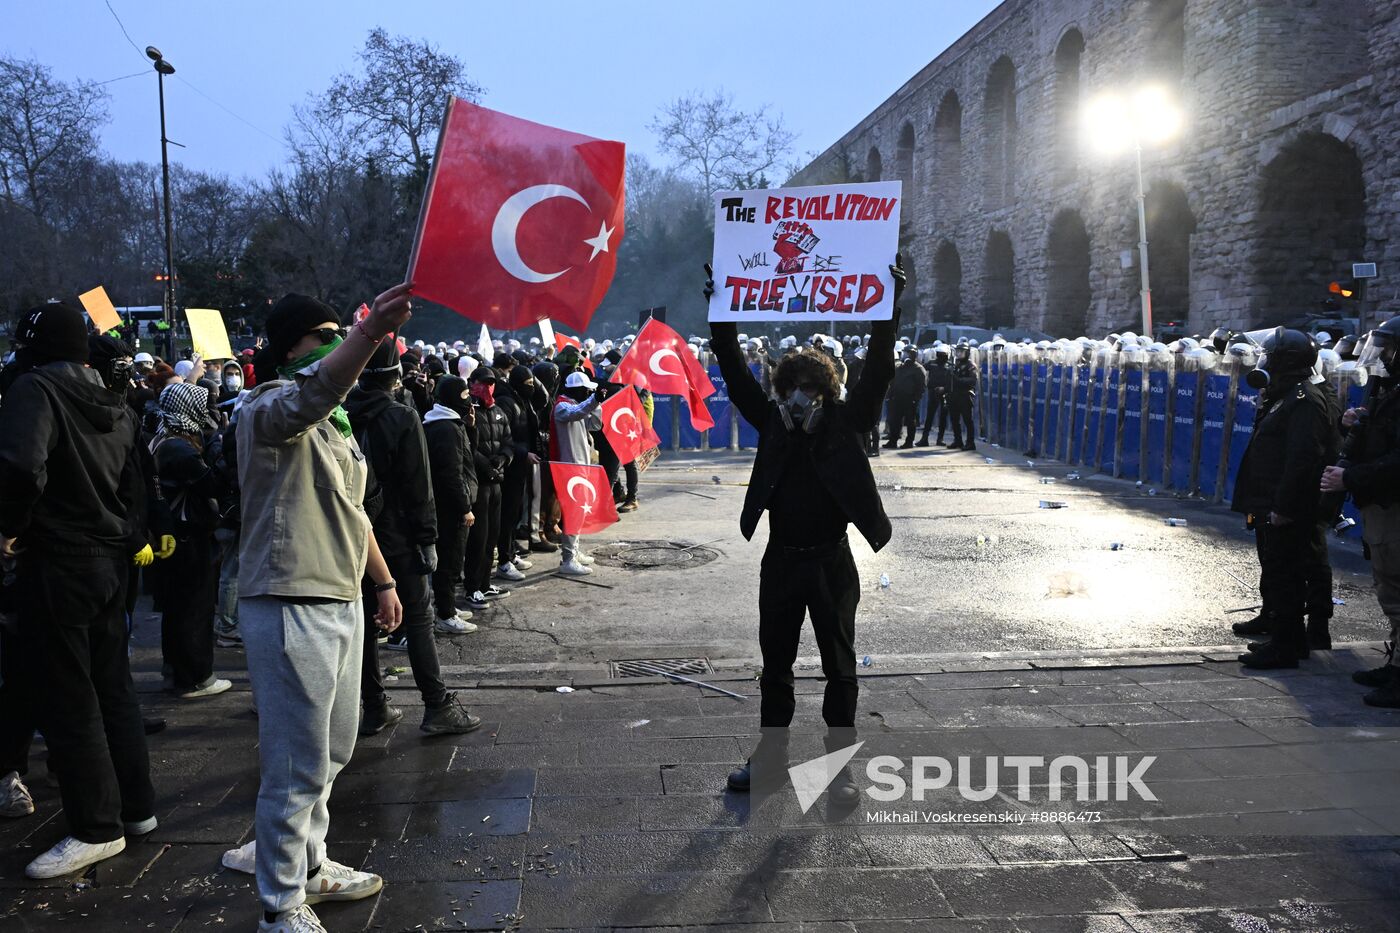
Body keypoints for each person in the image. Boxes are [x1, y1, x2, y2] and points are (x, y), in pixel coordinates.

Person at [237, 287, 411, 932]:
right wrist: (368, 334)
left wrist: (384, 582)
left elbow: (351, 509)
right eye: (324, 333)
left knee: (333, 751)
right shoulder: (266, 407)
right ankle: (280, 906)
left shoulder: (335, 426)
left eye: (344, 330)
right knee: (293, 765)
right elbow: (312, 394)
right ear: (291, 348)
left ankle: (312, 867)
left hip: (340, 596)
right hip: (289, 600)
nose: (338, 340)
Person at [707, 258, 904, 797]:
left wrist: (887, 309)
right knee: (776, 665)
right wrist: (720, 311)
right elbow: (733, 370)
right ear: (780, 390)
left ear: (827, 392)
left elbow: (881, 371)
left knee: (840, 667)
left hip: (832, 560)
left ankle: (837, 771)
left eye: (809, 390)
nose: (798, 400)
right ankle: (771, 760)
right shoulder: (771, 422)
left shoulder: (846, 423)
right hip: (783, 559)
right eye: (790, 388)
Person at [0, 302, 156, 879]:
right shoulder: (113, 397)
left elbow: (21, 467)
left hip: (61, 558)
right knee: (113, 687)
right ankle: (136, 810)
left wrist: (9, 527)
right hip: (109, 560)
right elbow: (135, 479)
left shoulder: (35, 391)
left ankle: (97, 826)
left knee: (70, 696)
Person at [345, 339, 481, 737]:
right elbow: (419, 486)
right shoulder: (402, 417)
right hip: (400, 535)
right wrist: (427, 538)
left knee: (368, 623)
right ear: (395, 376)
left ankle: (374, 705)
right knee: (418, 618)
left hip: (359, 534)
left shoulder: (343, 415)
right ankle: (437, 704)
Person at [1231, 328, 1338, 670]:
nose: (1265, 363)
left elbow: (1303, 458)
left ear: (1285, 362)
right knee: (1279, 571)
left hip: (1286, 504)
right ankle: (1286, 638)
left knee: (1287, 574)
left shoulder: (1304, 399)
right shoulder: (1288, 394)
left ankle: (1286, 646)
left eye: (1271, 358)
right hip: (1270, 498)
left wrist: (1283, 506)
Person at [1323, 316, 1400, 705]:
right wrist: (1352, 420)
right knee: (1389, 588)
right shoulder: (1389, 389)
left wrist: (1349, 479)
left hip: (1393, 502)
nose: (1380, 356)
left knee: (1398, 588)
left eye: (1385, 348)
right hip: (1380, 500)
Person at [151, 381, 231, 698]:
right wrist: (219, 447)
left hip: (175, 535)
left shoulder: (163, 437)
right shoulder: (179, 448)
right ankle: (196, 677)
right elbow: (209, 483)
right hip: (188, 537)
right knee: (194, 608)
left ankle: (176, 671)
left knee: (176, 608)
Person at [423, 375, 480, 635]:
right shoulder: (445, 428)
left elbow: (467, 460)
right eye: (465, 395)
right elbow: (451, 474)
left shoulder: (451, 424)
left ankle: (449, 607)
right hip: (450, 508)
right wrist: (464, 507)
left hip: (454, 503)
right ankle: (445, 614)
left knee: (453, 560)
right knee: (449, 561)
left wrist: (470, 427)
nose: (469, 401)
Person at [463, 367, 513, 611]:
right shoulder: (468, 412)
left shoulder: (499, 412)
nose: (488, 387)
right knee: (478, 539)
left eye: (491, 383)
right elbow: (468, 447)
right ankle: (472, 587)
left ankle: (484, 583)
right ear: (472, 383)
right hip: (479, 484)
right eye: (483, 382)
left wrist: (503, 459)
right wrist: (486, 467)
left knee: (492, 535)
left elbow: (508, 443)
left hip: (497, 483)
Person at [552, 371, 606, 575]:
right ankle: (568, 558)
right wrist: (593, 400)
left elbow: (595, 424)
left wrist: (596, 402)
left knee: (580, 510)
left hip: (580, 466)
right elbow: (574, 412)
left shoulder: (579, 406)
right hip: (569, 467)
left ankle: (573, 551)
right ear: (577, 390)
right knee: (574, 512)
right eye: (587, 389)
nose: (589, 392)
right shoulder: (562, 406)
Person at [884, 346, 926, 449]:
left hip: (909, 399)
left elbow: (921, 386)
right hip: (897, 398)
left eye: (907, 353)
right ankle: (893, 440)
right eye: (904, 353)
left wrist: (915, 399)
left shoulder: (918, 369)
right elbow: (893, 383)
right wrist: (890, 395)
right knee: (895, 421)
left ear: (913, 355)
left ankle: (909, 442)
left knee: (911, 422)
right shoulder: (900, 367)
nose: (905, 356)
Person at [918, 349, 952, 447]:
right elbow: (921, 370)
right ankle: (924, 438)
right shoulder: (932, 363)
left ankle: (940, 439)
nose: (941, 356)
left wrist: (945, 389)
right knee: (930, 416)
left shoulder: (949, 366)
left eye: (943, 354)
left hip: (944, 392)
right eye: (939, 354)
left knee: (943, 417)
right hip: (933, 391)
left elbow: (952, 380)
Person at [948, 344, 978, 450]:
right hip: (954, 395)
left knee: (967, 420)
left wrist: (958, 380)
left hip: (965, 395)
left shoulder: (971, 365)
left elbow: (973, 380)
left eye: (961, 351)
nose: (959, 353)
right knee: (954, 420)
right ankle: (958, 440)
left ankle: (970, 443)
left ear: (967, 353)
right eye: (958, 351)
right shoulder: (956, 364)